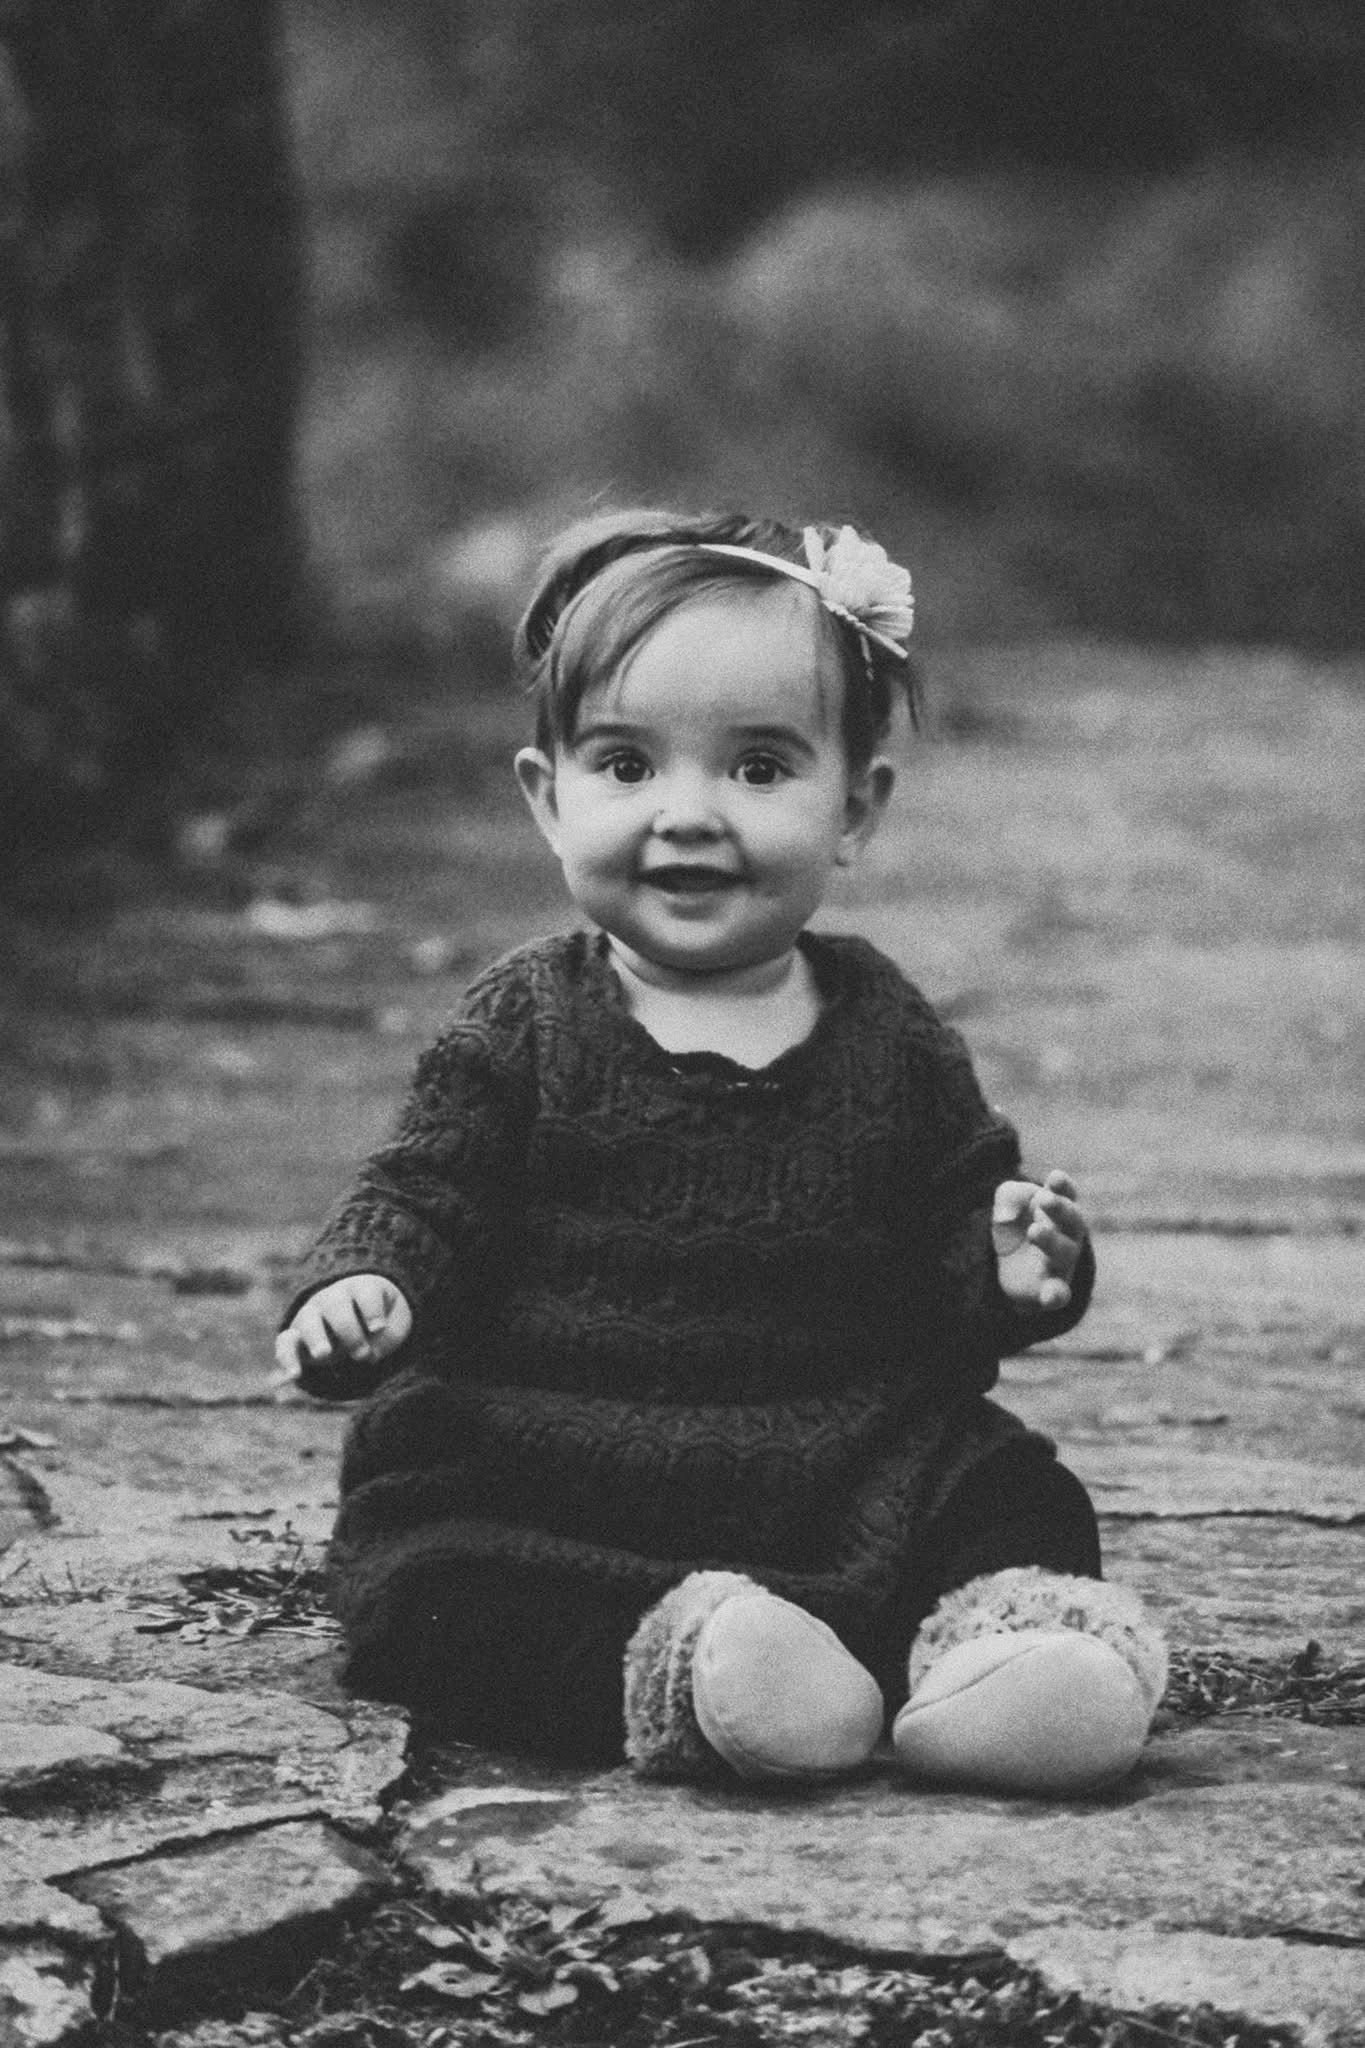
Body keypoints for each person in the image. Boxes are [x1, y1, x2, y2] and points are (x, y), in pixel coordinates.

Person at [274, 508, 1167, 1795]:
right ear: (548, 796)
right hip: (546, 1475)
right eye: (629, 766)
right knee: (430, 1598)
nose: (688, 814)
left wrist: (1012, 1265)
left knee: (1016, 1492)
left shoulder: (891, 1030)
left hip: (832, 1462)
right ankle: (704, 1677)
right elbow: (424, 1190)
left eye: (756, 768)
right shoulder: (526, 1017)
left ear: (855, 806)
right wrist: (372, 1288)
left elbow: (951, 1227)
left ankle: (1014, 1665)